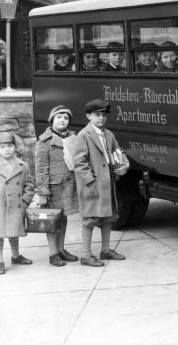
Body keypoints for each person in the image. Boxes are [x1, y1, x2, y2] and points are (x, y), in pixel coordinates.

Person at [71, 99, 129, 267]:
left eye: (104, 115)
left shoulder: (109, 134)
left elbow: (118, 152)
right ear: (88, 116)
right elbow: (79, 162)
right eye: (97, 115)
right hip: (92, 185)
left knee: (108, 217)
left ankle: (105, 250)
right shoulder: (83, 135)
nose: (101, 118)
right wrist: (90, 181)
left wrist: (124, 165)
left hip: (107, 184)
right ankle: (86, 255)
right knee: (90, 219)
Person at [35, 105, 79, 267]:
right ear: (52, 120)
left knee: (64, 218)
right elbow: (40, 168)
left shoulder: (72, 139)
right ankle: (53, 253)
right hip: (53, 187)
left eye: (66, 118)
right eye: (59, 117)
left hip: (68, 185)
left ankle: (61, 249)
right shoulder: (44, 141)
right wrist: (42, 191)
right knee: (51, 219)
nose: (62, 120)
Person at [0, 132, 35, 275]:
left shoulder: (23, 165)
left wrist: (25, 202)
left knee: (13, 231)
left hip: (16, 204)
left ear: (15, 147)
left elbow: (29, 186)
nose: (7, 149)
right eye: (2, 146)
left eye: (10, 146)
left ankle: (16, 256)